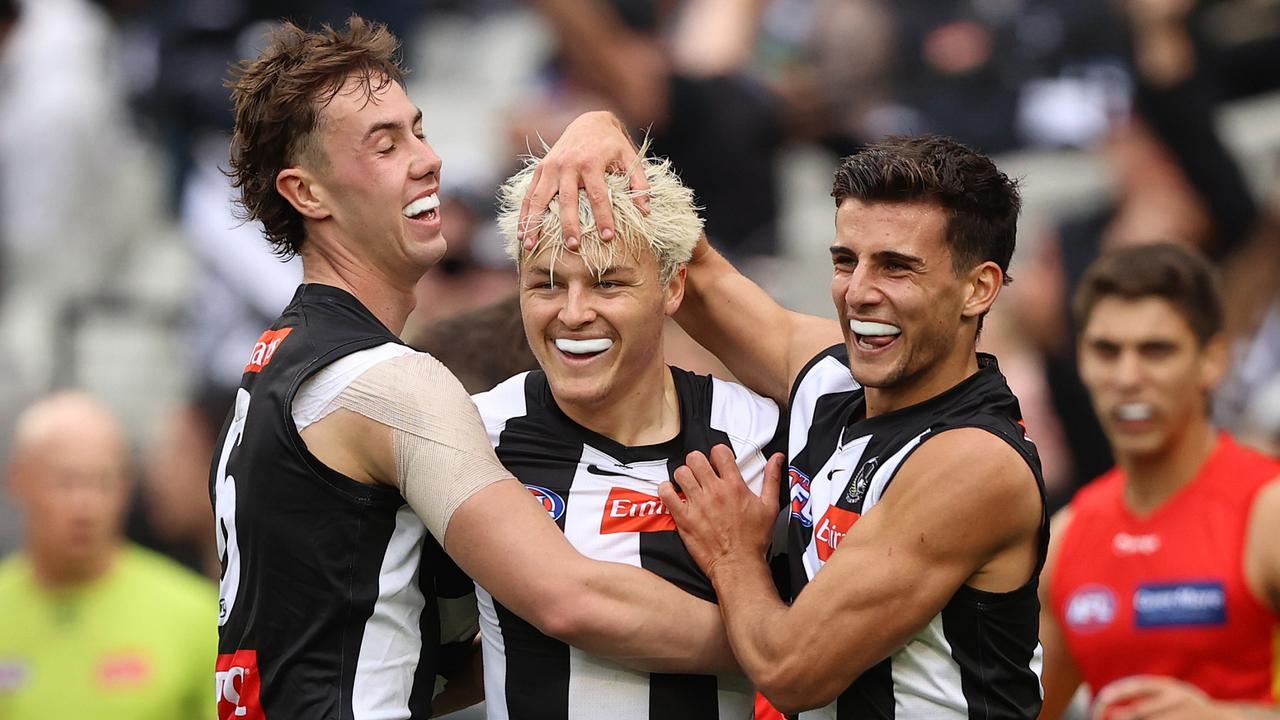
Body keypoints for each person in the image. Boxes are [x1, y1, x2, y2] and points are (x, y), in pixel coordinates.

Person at [213, 16, 737, 720]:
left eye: (419, 130)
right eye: (385, 143)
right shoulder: (386, 381)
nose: (427, 160)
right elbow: (568, 598)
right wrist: (785, 642)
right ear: (307, 194)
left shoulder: (277, 364)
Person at [523, 131, 1047, 717]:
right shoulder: (832, 378)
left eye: (897, 269)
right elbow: (699, 275)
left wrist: (732, 555)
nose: (858, 293)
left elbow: (791, 671)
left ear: (979, 288)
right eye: (846, 261)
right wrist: (604, 138)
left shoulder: (973, 461)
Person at [468, 153, 781, 719]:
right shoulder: (475, 432)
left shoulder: (760, 434)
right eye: (545, 284)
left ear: (673, 287)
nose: (573, 312)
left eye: (608, 283)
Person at [1038, 242, 1280, 720]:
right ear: (1082, 361)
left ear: (1212, 360)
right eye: (1107, 351)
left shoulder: (1267, 511)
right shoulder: (1067, 537)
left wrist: (1221, 718)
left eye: (1156, 350)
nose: (1128, 377)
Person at [0, 392, 217, 719]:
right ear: (18, 479)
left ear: (127, 487)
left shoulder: (197, 612)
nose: (84, 506)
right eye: (65, 482)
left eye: (102, 482)